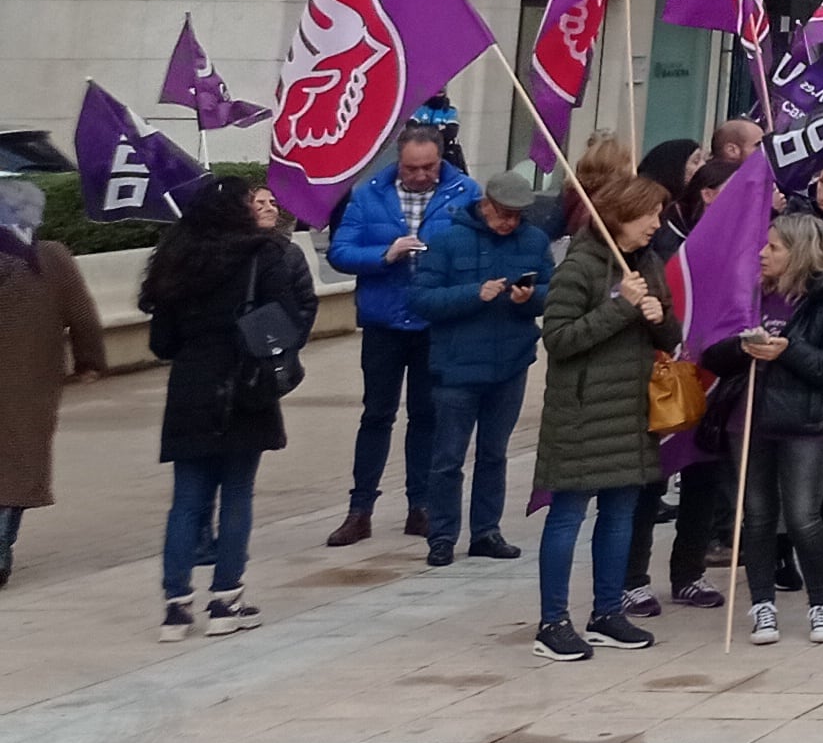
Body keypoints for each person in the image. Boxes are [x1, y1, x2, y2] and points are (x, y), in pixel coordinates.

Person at [147, 176, 311, 638]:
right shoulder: (263, 255)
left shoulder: (175, 260)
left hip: (191, 388)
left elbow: (162, 343)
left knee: (187, 500)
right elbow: (289, 320)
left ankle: (176, 607)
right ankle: (226, 599)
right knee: (237, 493)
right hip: (246, 384)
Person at [531, 172, 673, 660]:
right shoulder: (581, 265)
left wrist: (659, 318)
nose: (656, 223)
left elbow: (668, 336)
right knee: (568, 516)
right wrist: (619, 306)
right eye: (648, 214)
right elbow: (560, 339)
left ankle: (608, 612)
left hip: (631, 412)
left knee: (620, 516)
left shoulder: (647, 262)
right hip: (582, 414)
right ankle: (553, 622)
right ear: (620, 216)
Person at [320, 121, 476, 549]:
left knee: (427, 416)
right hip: (384, 321)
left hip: (434, 323)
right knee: (376, 415)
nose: (421, 176)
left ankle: (420, 506)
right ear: (399, 163)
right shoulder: (369, 194)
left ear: (440, 160)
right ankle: (360, 509)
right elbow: (340, 251)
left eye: (429, 167)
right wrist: (384, 255)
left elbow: (480, 248)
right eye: (412, 169)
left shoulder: (465, 193)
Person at [718, 213, 823, 647]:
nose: (763, 254)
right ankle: (762, 605)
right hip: (748, 419)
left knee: (802, 516)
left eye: (774, 248)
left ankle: (821, 604)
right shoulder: (750, 295)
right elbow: (713, 354)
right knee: (757, 517)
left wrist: (788, 350)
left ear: (798, 253)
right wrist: (739, 346)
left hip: (804, 421)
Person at [408, 164, 558, 570]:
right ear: (486, 205)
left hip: (510, 364)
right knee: (448, 458)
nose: (511, 222)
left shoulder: (535, 240)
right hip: (455, 366)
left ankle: (486, 531)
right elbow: (422, 300)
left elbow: (556, 292)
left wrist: (533, 297)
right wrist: (475, 293)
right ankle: (441, 536)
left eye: (517, 216)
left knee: (494, 453)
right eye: (504, 213)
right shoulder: (448, 241)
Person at [0, 177, 109, 589]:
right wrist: (90, 362)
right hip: (29, 384)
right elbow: (82, 316)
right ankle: (1, 545)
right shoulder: (51, 258)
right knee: (16, 466)